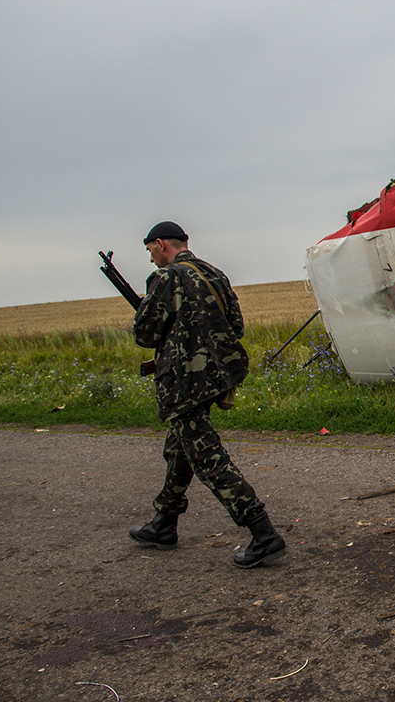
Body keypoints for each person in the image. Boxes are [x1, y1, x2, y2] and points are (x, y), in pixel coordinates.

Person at [127, 221, 286, 568]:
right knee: (181, 448)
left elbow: (144, 334)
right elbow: (237, 326)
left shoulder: (166, 278)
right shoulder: (214, 273)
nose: (151, 257)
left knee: (208, 458)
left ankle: (262, 532)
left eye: (150, 250)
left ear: (160, 244)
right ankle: (164, 523)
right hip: (216, 377)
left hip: (183, 384)